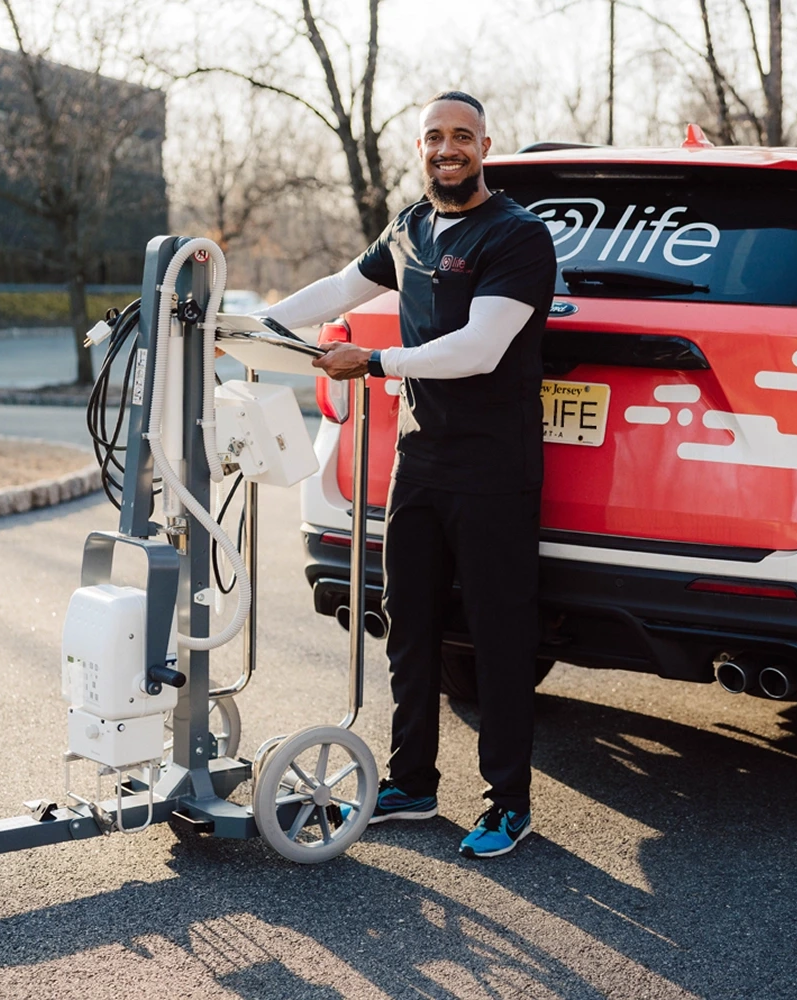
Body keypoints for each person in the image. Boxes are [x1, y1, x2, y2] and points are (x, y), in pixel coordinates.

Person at [255, 91, 558, 859]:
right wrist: (255, 327)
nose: (447, 148)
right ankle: (412, 785)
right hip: (418, 464)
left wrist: (377, 360)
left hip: (494, 470)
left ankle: (508, 805)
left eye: (462, 136)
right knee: (410, 629)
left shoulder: (517, 236)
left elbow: (478, 348)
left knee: (496, 638)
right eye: (434, 136)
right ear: (418, 147)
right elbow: (338, 290)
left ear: (486, 145)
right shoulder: (410, 225)